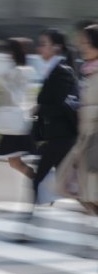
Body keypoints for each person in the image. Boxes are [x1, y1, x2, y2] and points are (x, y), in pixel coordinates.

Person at [32, 28, 79, 205]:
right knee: (70, 187)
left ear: (56, 47)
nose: (39, 48)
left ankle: (29, 225)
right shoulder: (52, 70)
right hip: (57, 136)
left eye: (44, 44)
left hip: (62, 137)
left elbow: (59, 106)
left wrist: (39, 108)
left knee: (38, 180)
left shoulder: (61, 71)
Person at [56, 24, 98, 216]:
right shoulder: (87, 71)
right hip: (86, 139)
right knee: (84, 192)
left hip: (94, 140)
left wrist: (85, 110)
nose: (81, 46)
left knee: (90, 192)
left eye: (85, 42)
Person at [0, 38, 37, 178]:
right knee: (14, 161)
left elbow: (16, 93)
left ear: (12, 53)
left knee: (14, 161)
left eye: (7, 52)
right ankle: (38, 180)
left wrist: (3, 78)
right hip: (17, 120)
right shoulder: (23, 70)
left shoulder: (16, 72)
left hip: (15, 121)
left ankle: (40, 181)